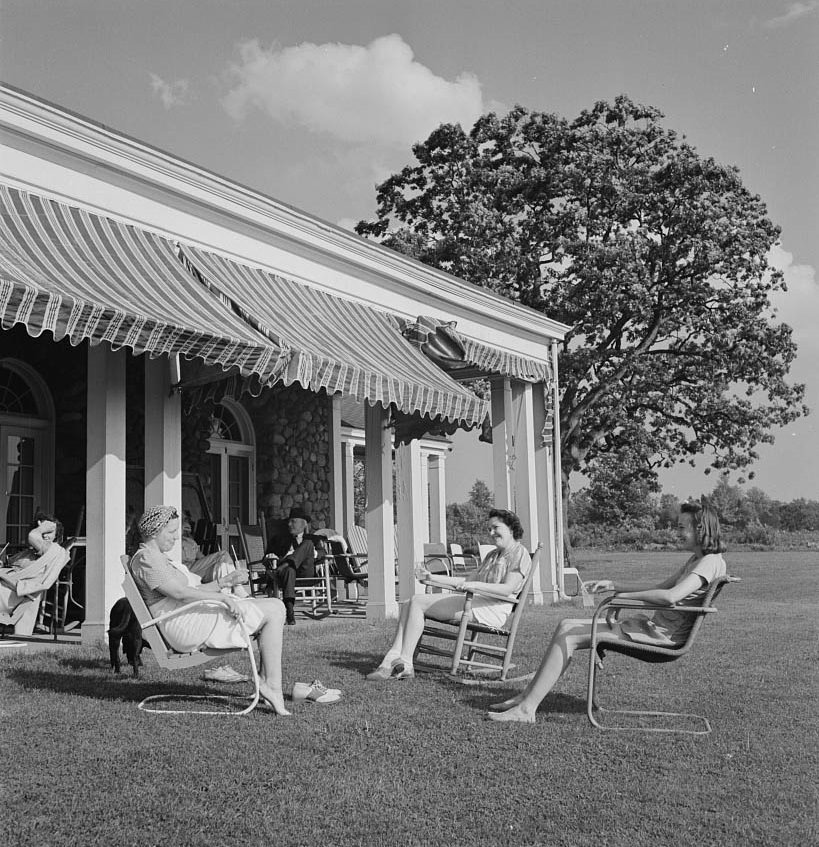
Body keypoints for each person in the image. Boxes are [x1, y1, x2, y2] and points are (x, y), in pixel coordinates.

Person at [488, 497, 727, 723]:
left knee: (570, 636)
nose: (677, 532)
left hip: (662, 637)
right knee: (566, 625)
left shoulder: (710, 562)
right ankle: (526, 697)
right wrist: (614, 586)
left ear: (701, 529)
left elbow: (670, 596)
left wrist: (621, 600)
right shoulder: (697, 560)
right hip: (652, 629)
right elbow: (659, 588)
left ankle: (527, 709)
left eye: (682, 527)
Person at [129, 505, 291, 715]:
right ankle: (271, 686)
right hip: (183, 624)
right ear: (154, 532)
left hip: (187, 614)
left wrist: (226, 581)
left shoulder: (156, 557)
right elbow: (180, 593)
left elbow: (190, 590)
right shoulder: (147, 559)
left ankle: (269, 683)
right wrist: (222, 597)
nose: (176, 537)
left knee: (274, 607)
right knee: (275, 609)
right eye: (171, 532)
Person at [366, 508, 532, 681]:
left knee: (417, 602)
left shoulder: (520, 553)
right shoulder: (492, 555)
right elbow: (465, 580)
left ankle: (405, 663)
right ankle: (391, 660)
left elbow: (507, 589)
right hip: (477, 600)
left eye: (495, 527)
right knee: (409, 603)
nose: (491, 533)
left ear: (511, 528)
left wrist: (474, 585)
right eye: (489, 529)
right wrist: (431, 577)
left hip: (493, 608)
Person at [0, 513, 69, 636]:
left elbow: (32, 536)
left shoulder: (52, 550)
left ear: (56, 535)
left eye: (49, 531)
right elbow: (8, 566)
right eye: (43, 531)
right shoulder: (28, 552)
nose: (44, 534)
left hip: (14, 592)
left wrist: (42, 528)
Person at [268, 506, 317, 625]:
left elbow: (323, 553)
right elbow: (268, 554)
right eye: (289, 522)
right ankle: (289, 612)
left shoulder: (312, 539)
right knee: (290, 570)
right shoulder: (280, 539)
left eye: (293, 521)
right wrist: (272, 557)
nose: (289, 524)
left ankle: (287, 563)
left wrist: (315, 553)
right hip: (286, 574)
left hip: (305, 573)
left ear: (304, 524)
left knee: (308, 544)